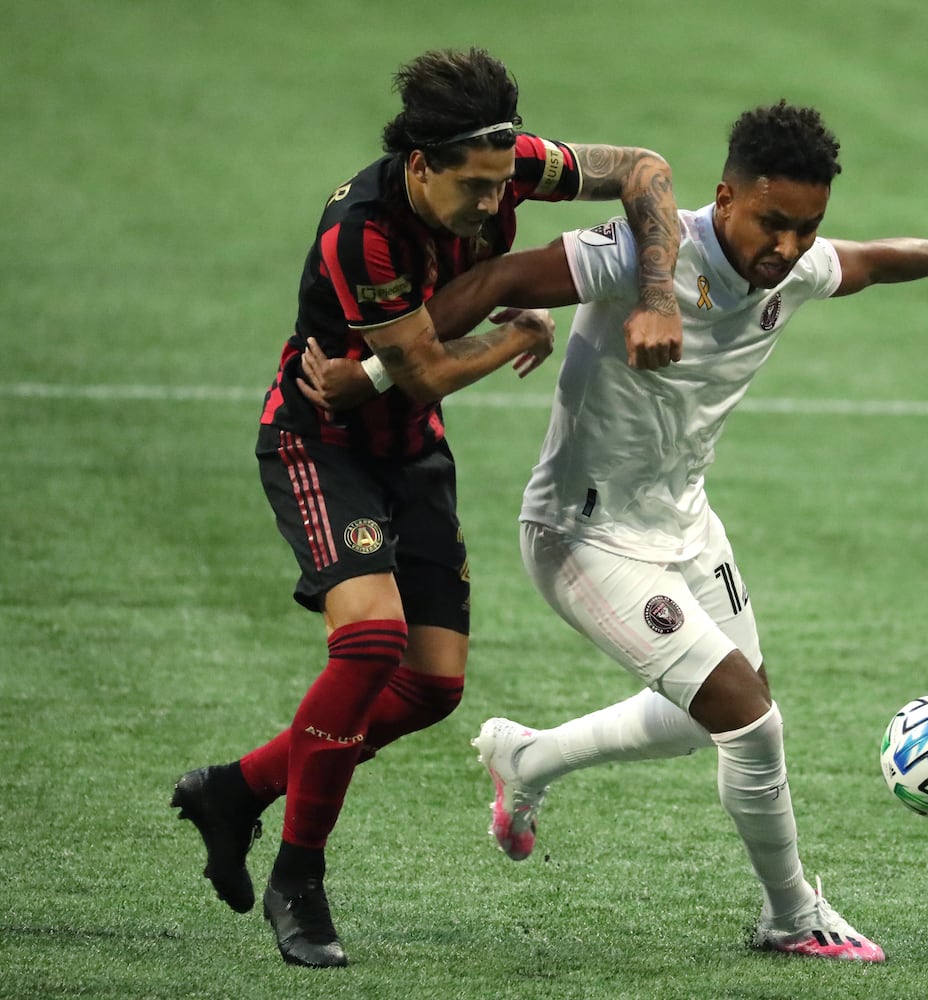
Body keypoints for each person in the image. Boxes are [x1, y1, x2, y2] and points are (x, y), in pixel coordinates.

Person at [313, 100, 928, 963]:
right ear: (725, 197)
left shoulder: (793, 271)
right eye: (773, 223)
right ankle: (794, 915)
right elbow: (501, 282)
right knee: (751, 722)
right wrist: (375, 368)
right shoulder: (644, 255)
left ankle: (528, 761)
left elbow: (872, 261)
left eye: (806, 229)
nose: (788, 248)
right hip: (582, 536)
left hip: (687, 525)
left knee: (717, 715)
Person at [169, 47, 684, 969]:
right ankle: (299, 879)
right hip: (320, 445)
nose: (494, 204)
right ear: (420, 165)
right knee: (369, 645)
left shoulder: (509, 160)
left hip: (409, 453)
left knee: (432, 688)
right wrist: (518, 329)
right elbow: (428, 372)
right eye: (474, 189)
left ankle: (238, 790)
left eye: (501, 184)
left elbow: (644, 170)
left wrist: (653, 291)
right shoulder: (361, 234)